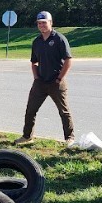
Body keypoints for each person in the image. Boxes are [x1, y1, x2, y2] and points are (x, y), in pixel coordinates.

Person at [14, 11, 75, 147]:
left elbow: (68, 60)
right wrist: (36, 77)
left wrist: (59, 78)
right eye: (39, 23)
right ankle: (27, 136)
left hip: (56, 82)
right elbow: (34, 62)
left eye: (44, 22)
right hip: (40, 83)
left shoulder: (59, 39)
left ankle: (69, 138)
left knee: (64, 111)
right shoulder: (37, 42)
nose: (41, 25)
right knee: (30, 110)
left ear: (51, 23)